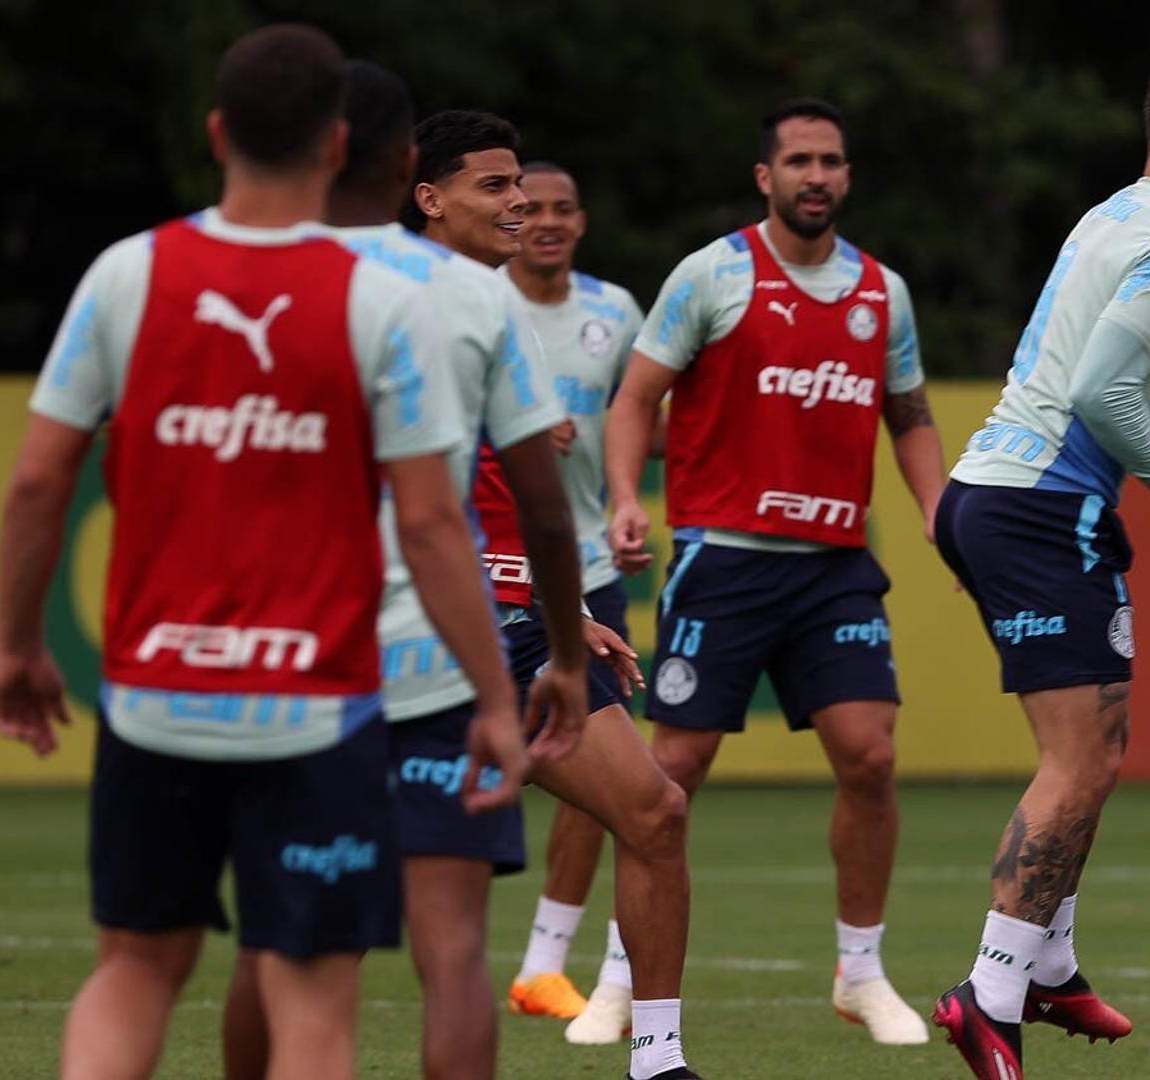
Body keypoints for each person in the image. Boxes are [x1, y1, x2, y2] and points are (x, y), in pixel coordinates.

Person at [0, 27, 524, 1080]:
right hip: (315, 707)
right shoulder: (387, 299)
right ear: (338, 144)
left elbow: (38, 480)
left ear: (217, 132)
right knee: (312, 995)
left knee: (134, 968)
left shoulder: (127, 272)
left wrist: (16, 646)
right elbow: (427, 522)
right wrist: (493, 697)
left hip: (153, 698)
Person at [220, 92, 696, 1080]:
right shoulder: (420, 297)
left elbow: (494, 501)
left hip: (492, 623)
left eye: (524, 183)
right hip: (414, 641)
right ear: (425, 195)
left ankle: (658, 1060)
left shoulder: (482, 301)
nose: (522, 203)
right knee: (364, 925)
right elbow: (450, 503)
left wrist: (560, 623)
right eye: (498, 187)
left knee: (651, 813)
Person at [931, 52, 1150, 1080]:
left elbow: (1137, 395)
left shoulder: (1112, 218)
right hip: (1038, 506)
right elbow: (1099, 399)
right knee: (1077, 761)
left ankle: (1047, 965)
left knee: (1104, 745)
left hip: (1011, 497)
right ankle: (989, 996)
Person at [604, 97, 944, 1046]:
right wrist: (626, 498)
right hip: (722, 557)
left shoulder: (884, 291)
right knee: (671, 770)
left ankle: (862, 973)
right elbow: (635, 397)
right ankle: (618, 972)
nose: (816, 176)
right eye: (797, 160)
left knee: (871, 757)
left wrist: (940, 513)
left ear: (847, 175)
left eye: (831, 161)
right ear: (767, 176)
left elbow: (908, 416)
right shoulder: (711, 275)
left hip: (835, 565)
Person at [498, 161, 658, 1041]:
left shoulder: (615, 311)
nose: (547, 223)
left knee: (595, 776)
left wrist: (628, 488)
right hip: (486, 568)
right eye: (533, 210)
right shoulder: (471, 298)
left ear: (582, 221)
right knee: (486, 755)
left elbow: (639, 414)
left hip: (584, 562)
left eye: (564, 208)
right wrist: (514, 430)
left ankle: (541, 965)